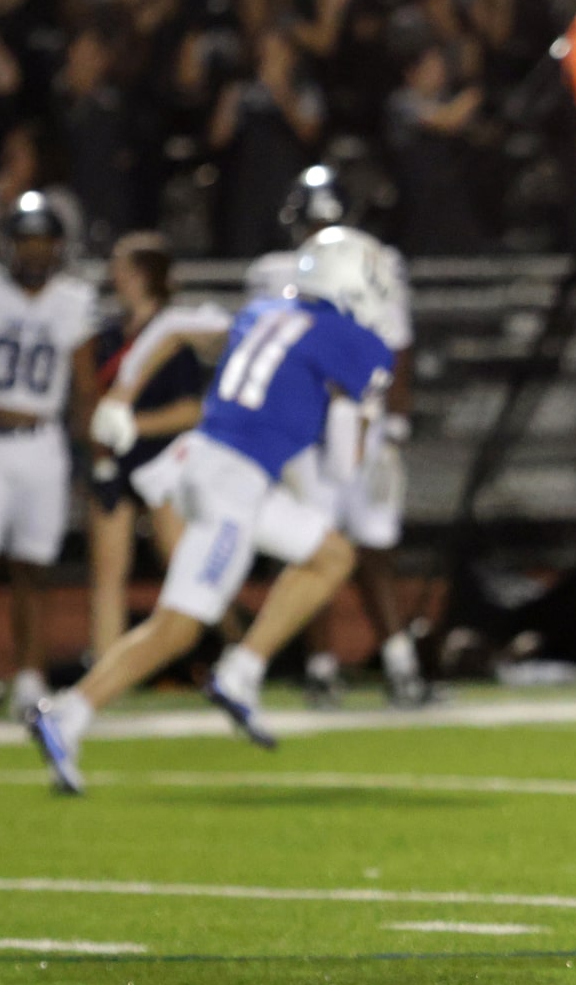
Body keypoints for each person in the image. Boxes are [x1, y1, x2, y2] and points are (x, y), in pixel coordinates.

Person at [33, 230, 403, 790]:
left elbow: (175, 325)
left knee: (331, 556)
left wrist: (123, 395)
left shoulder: (263, 311)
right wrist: (357, 420)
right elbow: (344, 468)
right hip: (233, 482)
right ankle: (68, 714)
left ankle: (242, 671)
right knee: (178, 627)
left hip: (211, 463)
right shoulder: (353, 340)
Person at [242, 168, 426, 708]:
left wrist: (396, 424)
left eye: (330, 222)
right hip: (306, 429)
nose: (321, 234)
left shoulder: (378, 264)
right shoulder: (274, 275)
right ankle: (321, 669)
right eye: (314, 222)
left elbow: (399, 347)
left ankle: (400, 665)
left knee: (374, 549)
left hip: (364, 424)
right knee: (312, 549)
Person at [0, 195, 96, 715]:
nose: (34, 252)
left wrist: (88, 451)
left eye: (43, 242)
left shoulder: (72, 299)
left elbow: (84, 384)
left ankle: (30, 679)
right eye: (25, 241)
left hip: (44, 444)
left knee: (35, 567)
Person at [74, 234, 209, 659]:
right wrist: (101, 448)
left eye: (125, 268)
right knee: (108, 572)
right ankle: (105, 671)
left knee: (186, 566)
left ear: (146, 276)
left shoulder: (175, 333)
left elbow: (191, 410)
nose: (116, 277)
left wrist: (131, 424)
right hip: (115, 462)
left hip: (167, 462)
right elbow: (91, 403)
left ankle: (222, 657)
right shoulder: (109, 336)